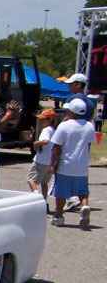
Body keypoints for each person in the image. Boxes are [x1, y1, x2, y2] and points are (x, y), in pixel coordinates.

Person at [49, 98, 96, 229]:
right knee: (83, 191)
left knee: (61, 193)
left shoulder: (64, 126)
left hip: (65, 165)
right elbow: (88, 145)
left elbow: (56, 147)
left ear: (72, 111)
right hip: (81, 166)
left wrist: (52, 164)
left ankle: (59, 216)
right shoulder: (89, 126)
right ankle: (85, 206)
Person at [28, 109, 56, 206]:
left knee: (31, 179)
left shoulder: (46, 130)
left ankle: (37, 197)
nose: (41, 121)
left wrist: (36, 143)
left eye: (44, 119)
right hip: (49, 161)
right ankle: (44, 202)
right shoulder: (54, 130)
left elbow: (45, 141)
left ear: (50, 119)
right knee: (44, 183)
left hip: (41, 160)